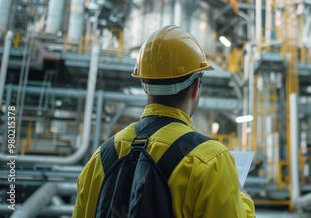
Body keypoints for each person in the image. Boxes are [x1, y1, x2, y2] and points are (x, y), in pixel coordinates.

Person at [73, 25, 256, 217]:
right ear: (195, 86)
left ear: (145, 86)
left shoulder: (100, 158)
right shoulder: (210, 160)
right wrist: (241, 197)